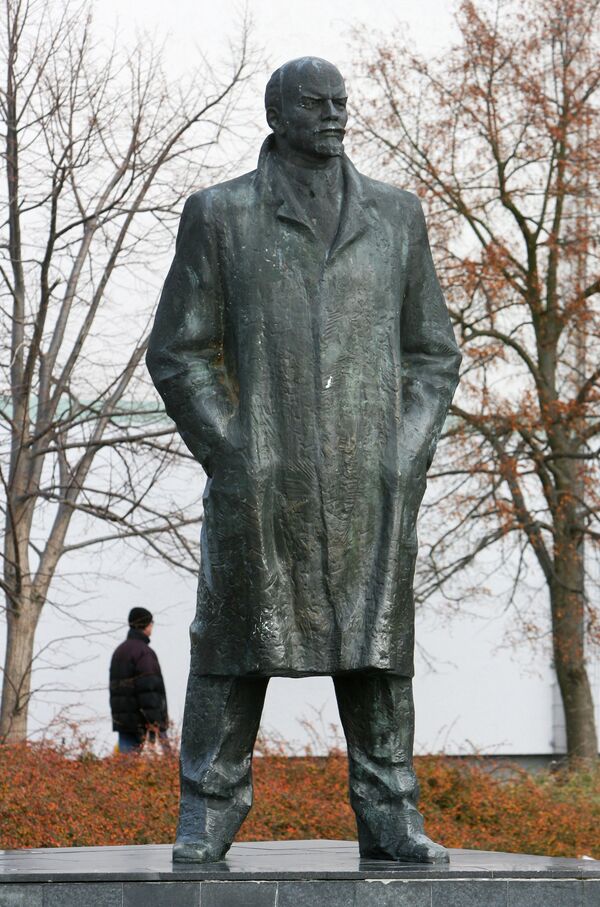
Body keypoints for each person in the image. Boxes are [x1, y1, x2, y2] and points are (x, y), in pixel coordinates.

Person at [147, 57, 461, 862]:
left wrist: (404, 455)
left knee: (377, 652)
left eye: (341, 103)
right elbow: (180, 351)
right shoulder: (220, 214)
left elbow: (432, 354)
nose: (335, 115)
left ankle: (390, 811)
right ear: (277, 113)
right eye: (317, 104)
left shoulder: (396, 216)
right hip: (262, 475)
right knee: (231, 642)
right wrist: (234, 452)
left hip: (369, 482)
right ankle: (208, 808)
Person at [109, 607, 169, 753]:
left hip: (123, 721)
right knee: (168, 762)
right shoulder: (144, 653)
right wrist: (155, 722)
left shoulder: (119, 651)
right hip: (142, 721)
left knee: (128, 767)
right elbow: (149, 689)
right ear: (146, 625)